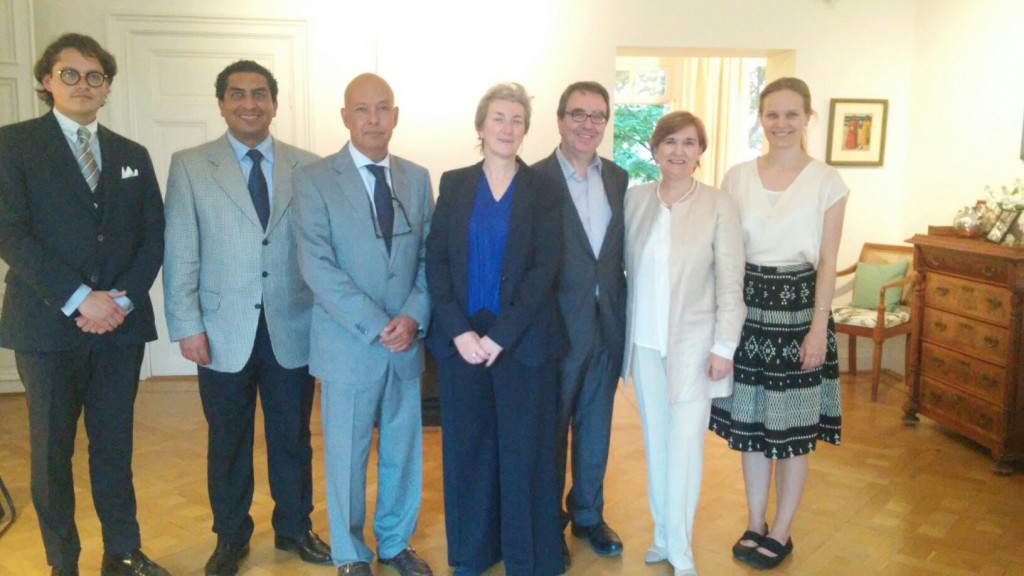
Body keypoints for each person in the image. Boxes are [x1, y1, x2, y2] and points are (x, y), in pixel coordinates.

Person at [0, 32, 168, 576]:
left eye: (94, 76)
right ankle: (62, 563)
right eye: (69, 74)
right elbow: (9, 233)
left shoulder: (131, 155)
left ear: (107, 87)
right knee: (51, 454)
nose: (82, 84)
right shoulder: (12, 145)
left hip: (119, 326)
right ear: (48, 82)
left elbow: (153, 237)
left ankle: (121, 552)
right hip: (46, 329)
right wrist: (79, 299)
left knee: (114, 447)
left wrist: (117, 300)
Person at [163, 60, 330, 576]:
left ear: (275, 103)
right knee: (228, 439)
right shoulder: (191, 164)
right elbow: (180, 249)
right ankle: (231, 536)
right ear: (221, 103)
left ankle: (294, 527)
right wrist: (185, 323)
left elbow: (321, 251)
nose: (249, 103)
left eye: (260, 94)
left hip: (292, 326)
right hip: (220, 331)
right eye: (237, 94)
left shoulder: (309, 167)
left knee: (292, 437)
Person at [292, 72, 434, 576]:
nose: (373, 119)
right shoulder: (313, 179)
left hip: (405, 345)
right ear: (346, 117)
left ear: (396, 115)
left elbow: (428, 260)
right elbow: (317, 266)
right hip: (350, 344)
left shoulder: (417, 178)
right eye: (362, 109)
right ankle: (350, 554)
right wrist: (378, 323)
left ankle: (395, 543)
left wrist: (414, 316)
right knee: (346, 458)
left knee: (402, 451)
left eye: (383, 108)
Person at [708, 77, 848, 570]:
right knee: (750, 427)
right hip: (747, 312)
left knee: (791, 432)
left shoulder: (828, 181)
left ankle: (783, 530)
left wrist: (818, 327)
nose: (781, 124)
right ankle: (754, 521)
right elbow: (723, 253)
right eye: (772, 114)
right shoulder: (737, 176)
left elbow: (829, 261)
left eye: (791, 114)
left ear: (808, 117)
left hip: (799, 314)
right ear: (760, 118)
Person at [425, 83, 564, 576]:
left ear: (526, 130)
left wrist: (502, 335)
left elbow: (544, 268)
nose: (508, 128)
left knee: (523, 452)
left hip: (521, 343)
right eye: (499, 119)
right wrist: (459, 330)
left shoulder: (545, 188)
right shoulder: (455, 182)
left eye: (518, 120)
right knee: (468, 451)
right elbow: (436, 262)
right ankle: (471, 553)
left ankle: (525, 558)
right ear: (481, 127)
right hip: (462, 343)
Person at [622, 111, 746, 576]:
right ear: (654, 149)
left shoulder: (719, 204)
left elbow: (732, 283)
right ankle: (661, 534)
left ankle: (682, 546)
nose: (679, 150)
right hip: (645, 343)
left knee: (686, 444)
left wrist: (724, 347)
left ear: (700, 153)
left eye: (689, 143)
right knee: (657, 441)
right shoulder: (635, 200)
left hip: (698, 345)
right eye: (670, 141)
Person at [531, 81, 627, 563]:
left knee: (597, 426)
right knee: (550, 429)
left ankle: (588, 514)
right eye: (578, 114)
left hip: (606, 324)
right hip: (554, 331)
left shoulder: (620, 179)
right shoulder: (533, 180)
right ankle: (548, 520)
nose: (588, 125)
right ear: (560, 119)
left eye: (598, 116)